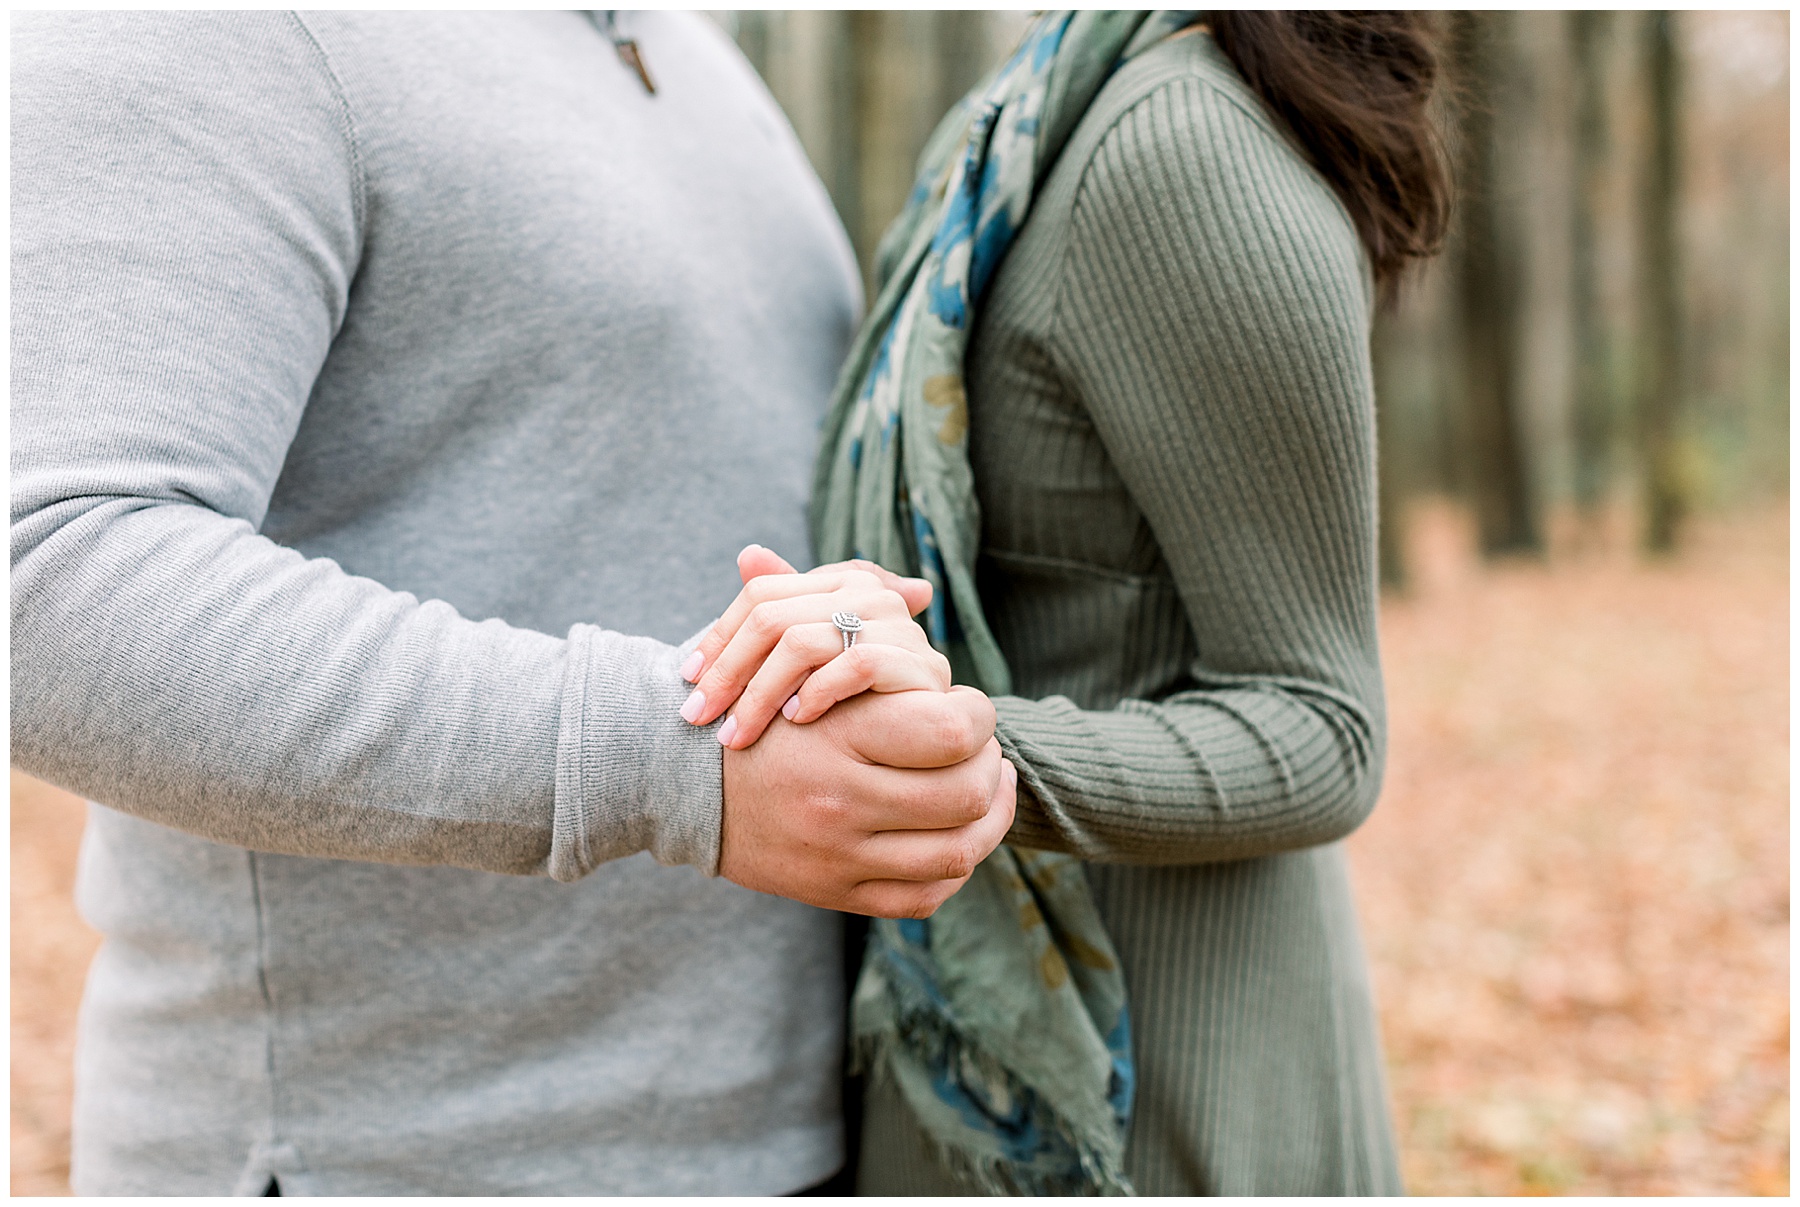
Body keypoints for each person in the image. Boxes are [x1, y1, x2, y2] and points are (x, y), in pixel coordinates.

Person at [10, 11, 1017, 1196]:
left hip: (776, 1144)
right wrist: (671, 760)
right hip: (386, 1161)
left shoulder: (677, 44)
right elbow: (51, 576)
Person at [686, 10, 1451, 1195]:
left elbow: (1325, 727)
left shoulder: (1186, 151)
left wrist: (963, 758)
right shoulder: (1043, 112)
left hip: (1162, 1101)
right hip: (989, 1062)